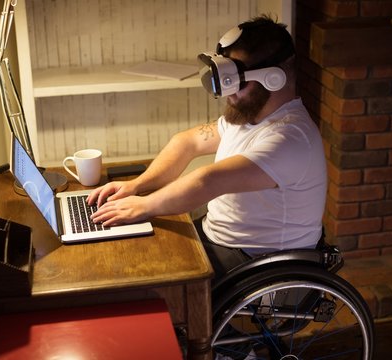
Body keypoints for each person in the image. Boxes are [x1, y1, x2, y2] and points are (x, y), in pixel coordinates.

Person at [87, 15, 327, 280]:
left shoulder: (291, 139)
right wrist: (137, 186)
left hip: (256, 261)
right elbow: (186, 141)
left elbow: (208, 181)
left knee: (139, 273)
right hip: (221, 240)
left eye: (238, 84)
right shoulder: (251, 115)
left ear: (273, 78)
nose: (229, 94)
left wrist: (143, 206)